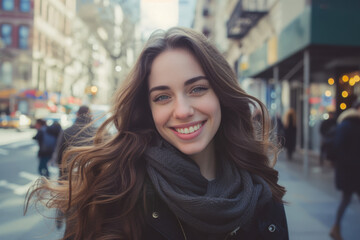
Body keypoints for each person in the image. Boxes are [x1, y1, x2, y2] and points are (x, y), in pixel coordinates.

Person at [25, 27, 288, 240]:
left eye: (197, 89)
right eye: (162, 97)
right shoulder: (113, 194)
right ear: (147, 109)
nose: (182, 111)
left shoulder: (260, 192)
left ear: (221, 93)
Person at [53, 105, 97, 229]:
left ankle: (61, 220)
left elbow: (59, 157)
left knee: (71, 218)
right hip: (92, 182)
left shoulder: (67, 131)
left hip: (69, 181)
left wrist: (62, 174)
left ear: (77, 115)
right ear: (91, 116)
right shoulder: (99, 132)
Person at [330, 101, 360, 240]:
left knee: (346, 199)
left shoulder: (347, 124)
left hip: (350, 171)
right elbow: (338, 148)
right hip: (350, 172)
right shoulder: (348, 125)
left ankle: (336, 227)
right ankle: (336, 227)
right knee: (346, 199)